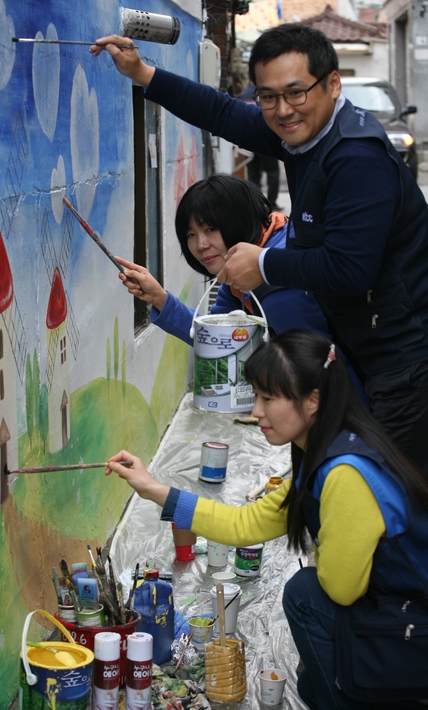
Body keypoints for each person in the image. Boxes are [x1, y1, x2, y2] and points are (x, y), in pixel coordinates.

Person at [90, 24, 428, 473]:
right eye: (268, 96)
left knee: (391, 498)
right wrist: (143, 73)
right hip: (373, 353)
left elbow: (351, 271)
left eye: (294, 93)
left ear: (332, 83)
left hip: (404, 363)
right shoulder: (304, 133)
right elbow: (223, 113)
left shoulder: (354, 157)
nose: (282, 110)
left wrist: (264, 264)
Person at [105, 329, 428, 709]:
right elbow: (246, 524)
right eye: (255, 396)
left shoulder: (346, 475)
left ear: (313, 401)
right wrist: (155, 489)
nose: (255, 411)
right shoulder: (332, 447)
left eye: (268, 398)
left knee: (306, 595)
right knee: (310, 685)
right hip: (397, 614)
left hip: (413, 631)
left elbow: (341, 590)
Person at [116, 173, 368, 401]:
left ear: (239, 219)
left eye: (210, 229)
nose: (200, 244)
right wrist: (159, 297)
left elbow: (320, 366)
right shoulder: (243, 265)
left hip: (344, 406)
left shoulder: (275, 280)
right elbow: (216, 335)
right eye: (191, 234)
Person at [239, 82, 281, 209]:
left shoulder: (245, 93)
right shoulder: (266, 91)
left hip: (248, 141)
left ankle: (256, 205)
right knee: (272, 172)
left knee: (253, 174)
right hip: (265, 137)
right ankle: (271, 203)